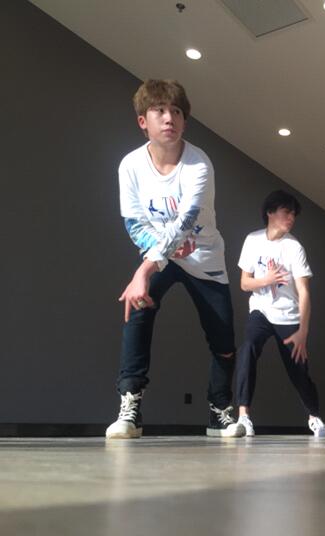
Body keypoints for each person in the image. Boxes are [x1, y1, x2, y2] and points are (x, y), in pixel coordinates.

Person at [106, 79, 244, 439]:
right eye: (160, 111)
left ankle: (219, 411)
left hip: (205, 258)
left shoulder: (199, 164)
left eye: (177, 111)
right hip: (160, 255)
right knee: (137, 311)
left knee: (223, 340)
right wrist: (154, 260)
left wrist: (144, 267)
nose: (169, 118)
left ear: (184, 121)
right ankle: (130, 407)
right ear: (143, 121)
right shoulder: (130, 166)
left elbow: (186, 222)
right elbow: (134, 222)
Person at [227, 190, 325, 437]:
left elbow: (304, 292)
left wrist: (303, 331)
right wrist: (267, 280)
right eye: (286, 212)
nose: (291, 218)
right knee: (248, 347)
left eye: (294, 214)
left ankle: (314, 416)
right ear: (270, 212)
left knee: (299, 370)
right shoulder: (253, 240)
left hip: (289, 316)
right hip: (261, 310)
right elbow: (244, 283)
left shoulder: (294, 247)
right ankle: (244, 417)